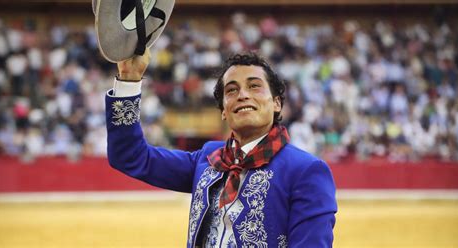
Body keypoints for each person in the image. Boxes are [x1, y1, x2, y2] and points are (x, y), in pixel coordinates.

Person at [105, 49, 337, 247]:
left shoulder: (306, 171)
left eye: (255, 86)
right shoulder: (208, 158)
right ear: (224, 111)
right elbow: (129, 155)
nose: (243, 95)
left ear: (276, 103)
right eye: (231, 90)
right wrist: (129, 80)